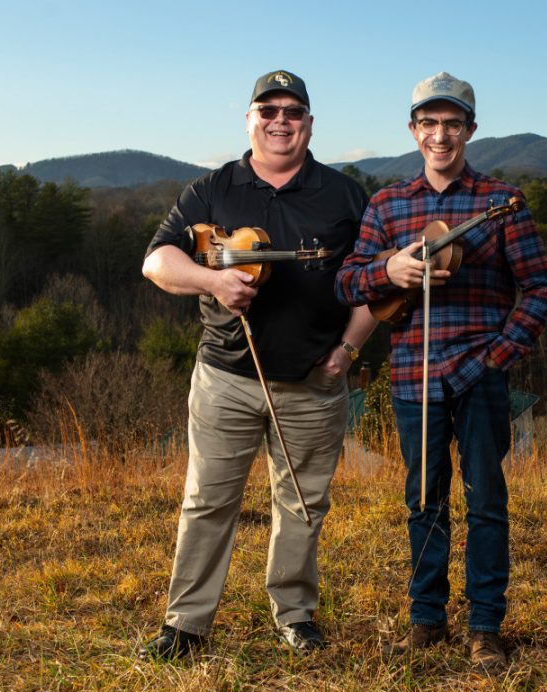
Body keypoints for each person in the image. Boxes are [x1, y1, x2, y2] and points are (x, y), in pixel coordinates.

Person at [140, 69, 376, 660]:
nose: (279, 120)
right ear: (249, 120)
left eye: (292, 111)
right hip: (225, 378)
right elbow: (157, 261)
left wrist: (347, 351)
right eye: (267, 110)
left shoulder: (345, 195)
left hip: (314, 382)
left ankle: (295, 615)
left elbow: (377, 282)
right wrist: (212, 280)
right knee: (207, 500)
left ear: (309, 124)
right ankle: (187, 624)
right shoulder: (212, 188)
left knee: (302, 502)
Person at [335, 71, 547, 670]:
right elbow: (348, 281)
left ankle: (485, 625)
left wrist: (500, 354)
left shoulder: (498, 200)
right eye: (429, 123)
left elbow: (539, 287)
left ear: (471, 130)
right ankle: (425, 618)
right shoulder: (387, 205)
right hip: (413, 377)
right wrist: (390, 274)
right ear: (413, 131)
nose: (440, 135)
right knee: (424, 501)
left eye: (452, 124)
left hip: (479, 374)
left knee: (486, 501)